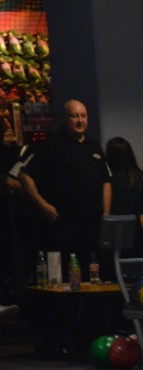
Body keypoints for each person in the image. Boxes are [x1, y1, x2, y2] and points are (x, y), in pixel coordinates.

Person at [18, 99, 111, 273]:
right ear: (65, 119)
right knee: (65, 272)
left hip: (92, 224)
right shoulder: (50, 145)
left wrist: (106, 214)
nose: (80, 120)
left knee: (93, 271)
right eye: (75, 116)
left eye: (83, 116)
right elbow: (24, 175)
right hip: (62, 223)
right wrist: (42, 204)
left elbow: (106, 181)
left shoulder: (94, 146)